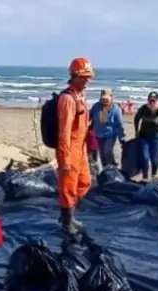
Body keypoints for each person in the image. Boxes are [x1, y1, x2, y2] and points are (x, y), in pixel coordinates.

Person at [57, 57, 95, 234]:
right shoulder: (67, 99)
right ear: (74, 76)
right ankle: (67, 221)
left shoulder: (80, 96)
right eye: (84, 77)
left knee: (85, 182)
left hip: (81, 147)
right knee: (68, 187)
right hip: (70, 148)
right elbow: (64, 132)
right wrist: (64, 158)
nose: (87, 80)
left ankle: (68, 215)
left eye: (89, 77)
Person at [134, 91, 158, 180]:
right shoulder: (143, 108)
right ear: (148, 100)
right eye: (150, 100)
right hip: (143, 136)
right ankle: (145, 176)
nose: (152, 103)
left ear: (157, 101)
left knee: (154, 159)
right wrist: (136, 131)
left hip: (157, 137)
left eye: (154, 101)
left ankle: (154, 174)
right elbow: (136, 119)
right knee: (144, 157)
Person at [89, 88, 125, 167]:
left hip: (110, 135)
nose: (104, 101)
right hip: (98, 134)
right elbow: (89, 116)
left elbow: (119, 124)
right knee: (102, 154)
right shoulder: (96, 106)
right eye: (103, 99)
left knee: (107, 150)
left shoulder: (116, 109)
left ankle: (112, 165)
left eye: (106, 99)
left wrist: (121, 136)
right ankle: (106, 169)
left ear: (111, 97)